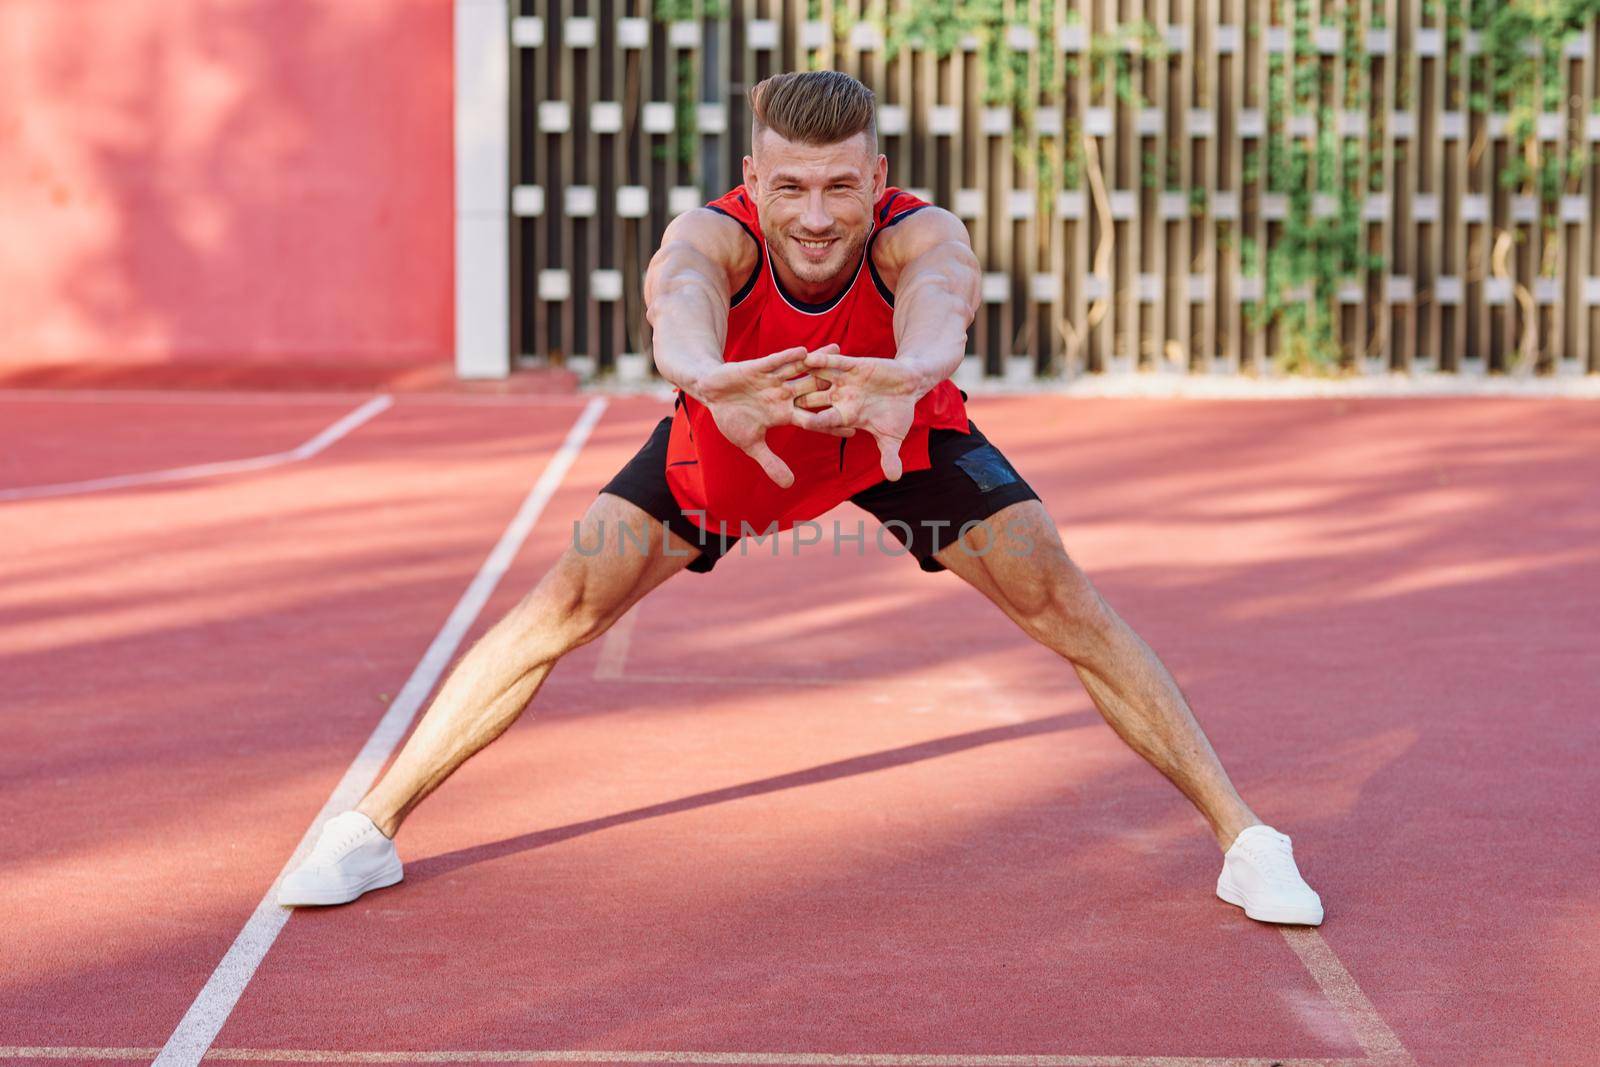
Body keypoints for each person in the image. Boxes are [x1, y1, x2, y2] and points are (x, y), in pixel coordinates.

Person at [279, 70, 1323, 926]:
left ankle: (1243, 837)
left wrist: (911, 373)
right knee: (562, 604)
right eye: (790, 189)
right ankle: (369, 828)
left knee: (1063, 597)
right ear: (752, 179)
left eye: (838, 187)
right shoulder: (714, 234)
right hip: (738, 428)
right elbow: (677, 292)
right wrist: (703, 376)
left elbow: (939, 296)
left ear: (878, 176)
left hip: (896, 426)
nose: (815, 216)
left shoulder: (919, 230)